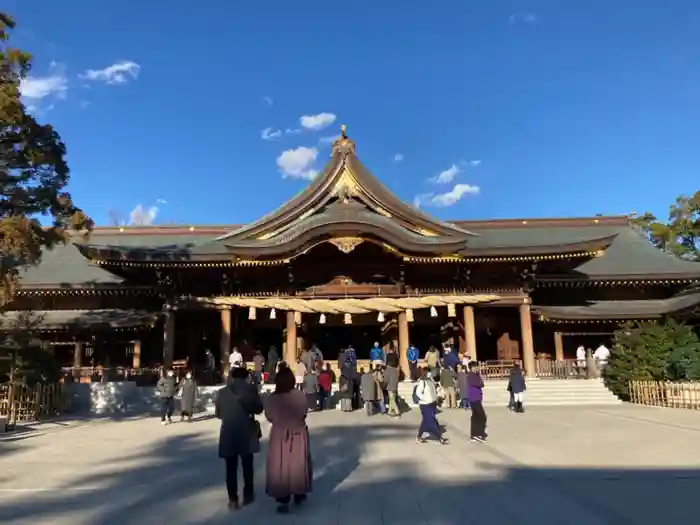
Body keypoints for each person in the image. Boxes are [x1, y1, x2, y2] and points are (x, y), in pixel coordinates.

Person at [265, 367, 312, 514]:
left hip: (280, 433)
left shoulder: (272, 398)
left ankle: (283, 497)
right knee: (297, 463)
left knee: (281, 465)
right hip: (298, 432)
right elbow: (304, 412)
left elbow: (269, 416)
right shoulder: (300, 395)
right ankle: (299, 492)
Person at [215, 366, 263, 510]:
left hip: (228, 432)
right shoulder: (251, 390)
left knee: (230, 468)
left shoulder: (222, 392)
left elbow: (218, 414)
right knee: (247, 465)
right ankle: (248, 493)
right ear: (246, 377)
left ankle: (233, 499)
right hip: (247, 432)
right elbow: (259, 409)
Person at [414, 367, 447, 444]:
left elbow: (433, 392)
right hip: (425, 404)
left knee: (426, 421)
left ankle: (419, 437)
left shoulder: (431, 381)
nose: (430, 374)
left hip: (432, 403)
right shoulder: (422, 382)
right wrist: (425, 399)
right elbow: (418, 393)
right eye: (429, 372)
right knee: (431, 419)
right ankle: (439, 437)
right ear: (425, 373)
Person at [467, 362, 487, 442]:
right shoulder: (471, 376)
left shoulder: (476, 375)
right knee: (482, 416)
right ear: (472, 368)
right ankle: (479, 434)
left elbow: (482, 383)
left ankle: (474, 435)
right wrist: (480, 380)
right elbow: (480, 384)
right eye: (476, 367)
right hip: (474, 398)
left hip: (477, 398)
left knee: (475, 417)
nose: (478, 368)